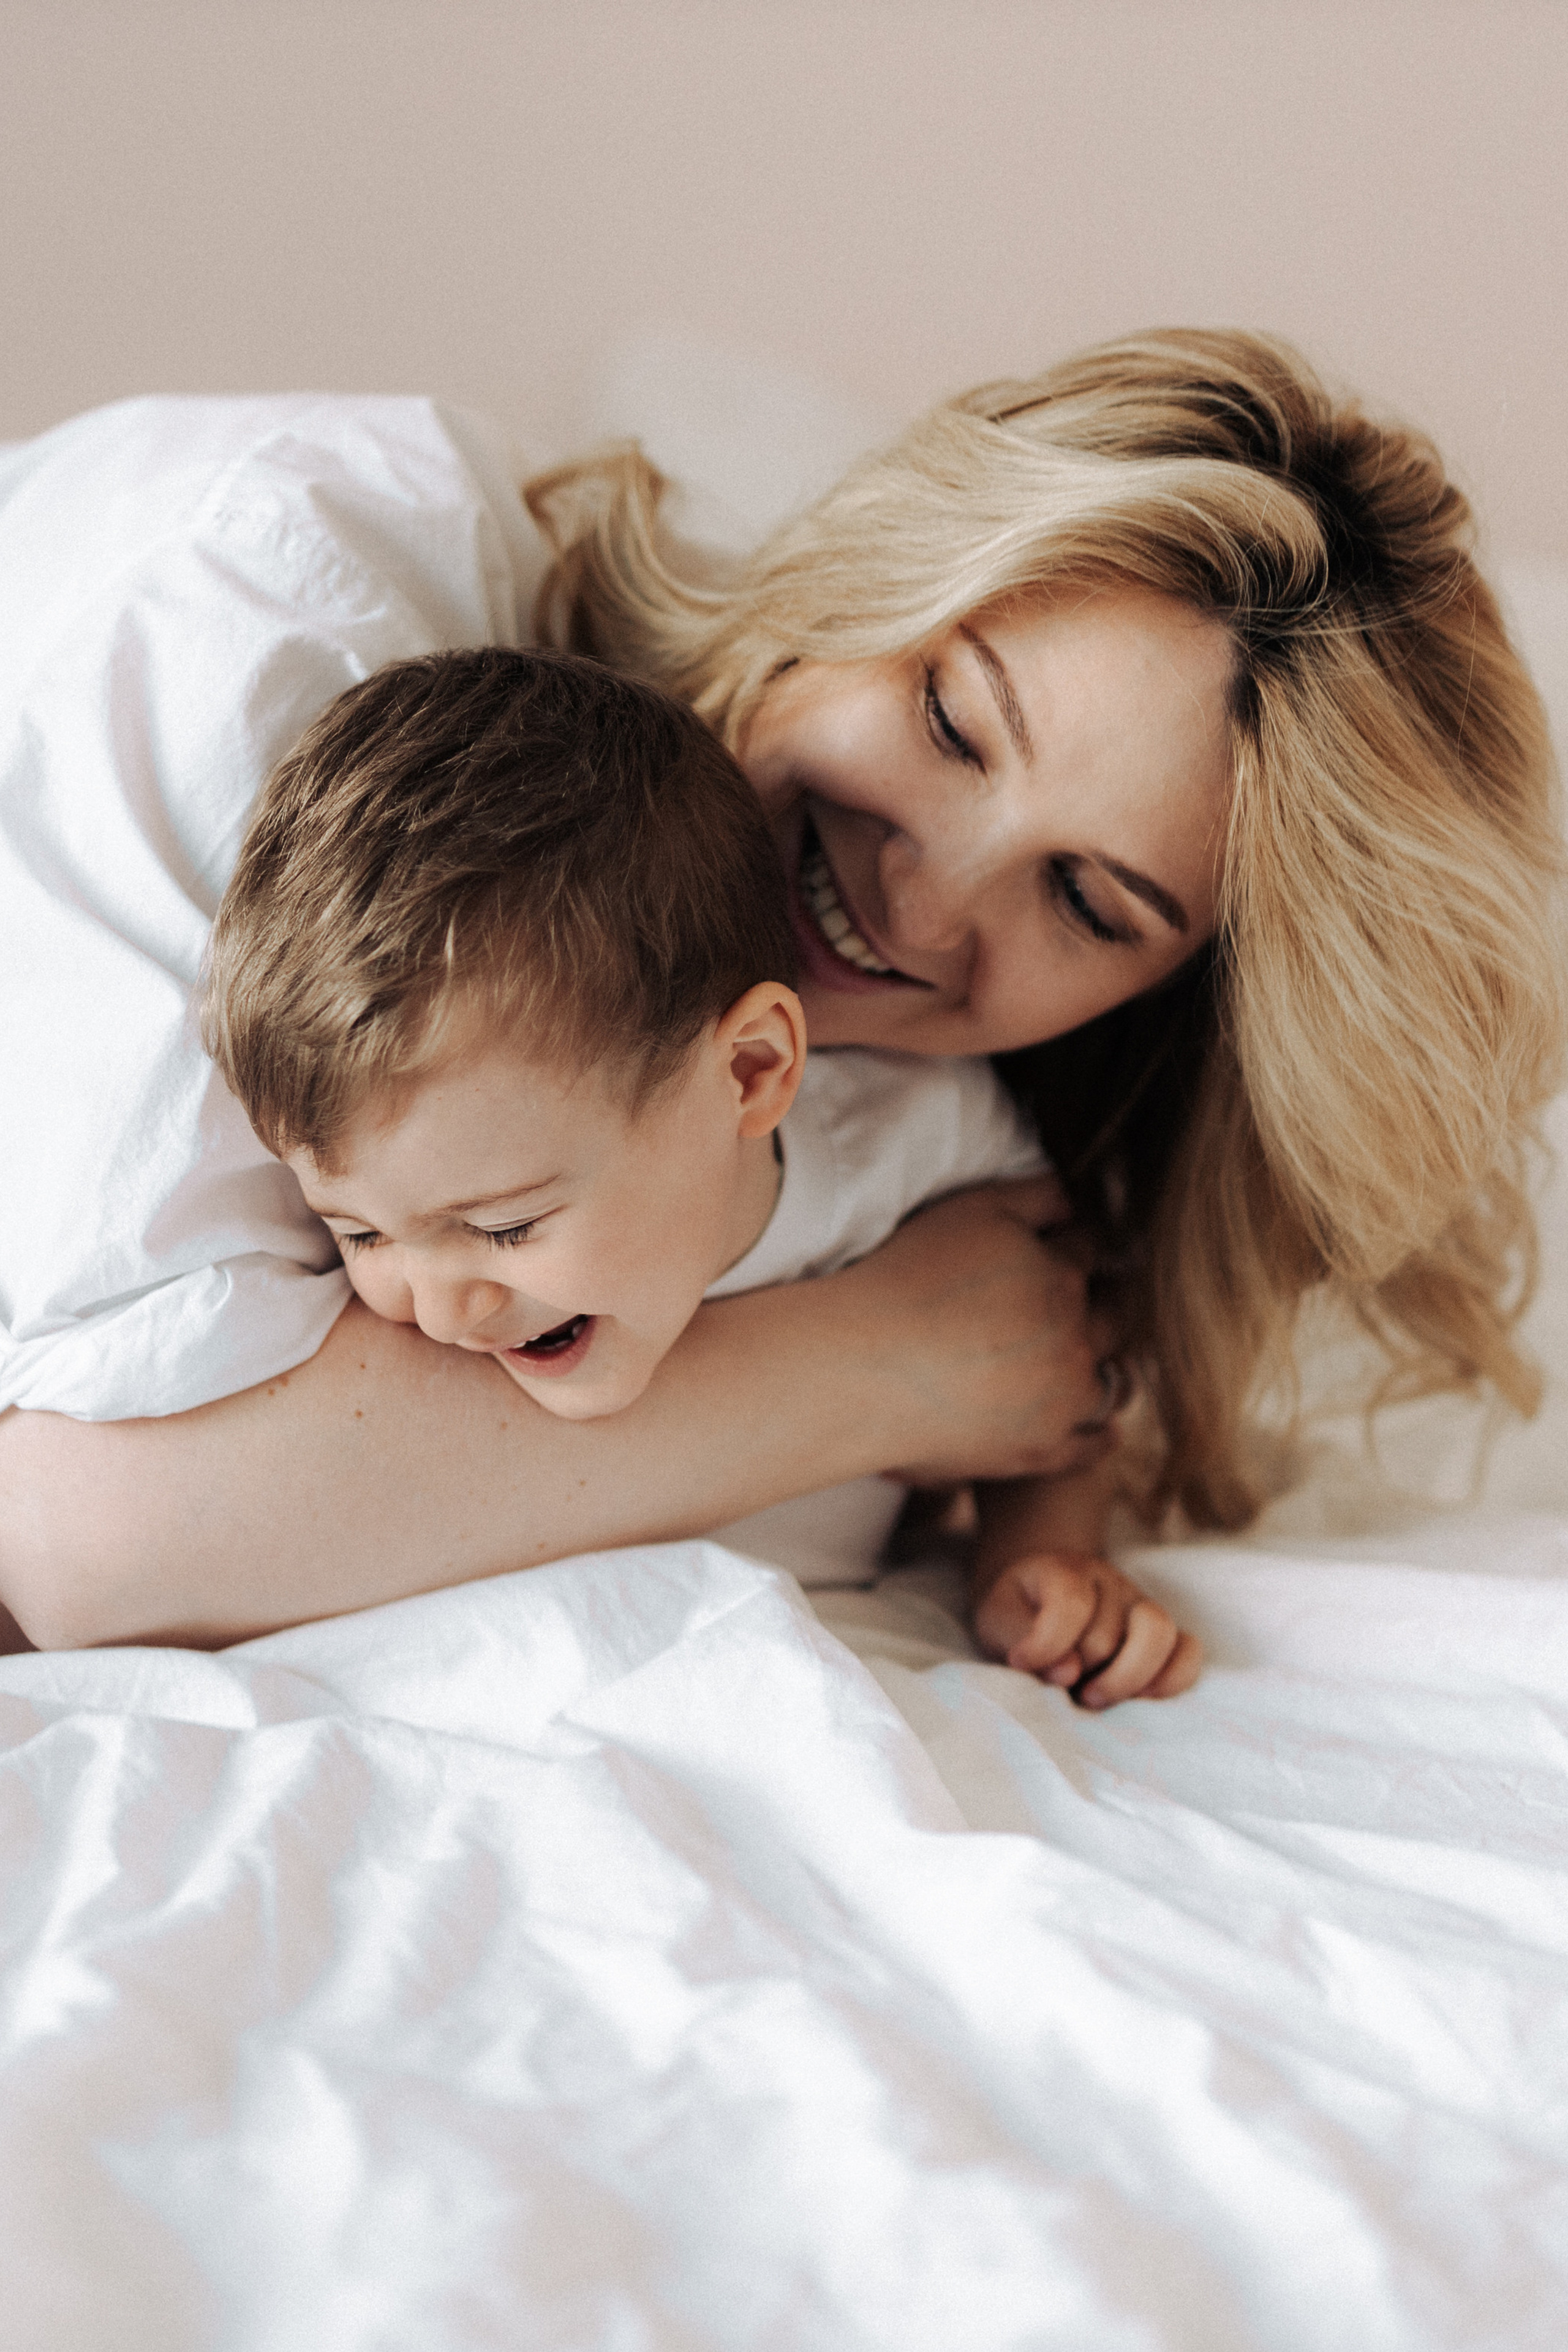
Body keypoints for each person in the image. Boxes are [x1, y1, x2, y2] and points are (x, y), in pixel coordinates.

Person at [0, 331, 1559, 1652]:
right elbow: (82, 1543)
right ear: (870, 566)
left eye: (1086, 903)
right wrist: (879, 1367)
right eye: (950, 724)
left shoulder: (925, 1129)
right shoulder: (289, 658)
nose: (919, 905)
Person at [203, 644, 1199, 1702]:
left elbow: (1059, 1356)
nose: (438, 1311)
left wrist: (1039, 1561)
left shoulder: (924, 1143)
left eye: (506, 1228)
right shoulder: (449, 1220)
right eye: (359, 1233)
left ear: (751, 1073)